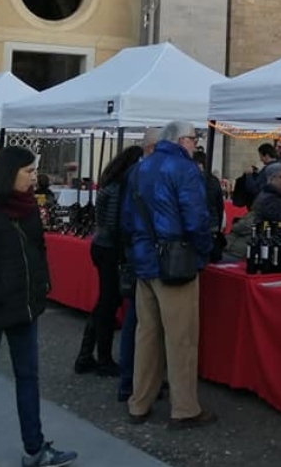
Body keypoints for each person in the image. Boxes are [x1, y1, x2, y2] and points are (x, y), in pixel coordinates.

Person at [0, 146, 78, 467]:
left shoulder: (28, 207)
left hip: (25, 306)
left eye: (34, 171)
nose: (34, 177)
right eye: (28, 171)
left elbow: (38, 248)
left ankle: (35, 448)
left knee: (28, 376)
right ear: (10, 172)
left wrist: (42, 283)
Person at [121, 121, 215, 428]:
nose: (195, 144)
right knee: (181, 339)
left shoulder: (139, 168)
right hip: (175, 262)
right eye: (193, 138)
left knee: (146, 335)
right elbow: (196, 219)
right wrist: (203, 251)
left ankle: (139, 402)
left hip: (144, 260)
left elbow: (126, 218)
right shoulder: (184, 169)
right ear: (180, 140)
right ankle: (184, 408)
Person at [74, 145, 143, 377]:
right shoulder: (120, 186)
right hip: (110, 248)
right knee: (108, 302)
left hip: (102, 245)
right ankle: (102, 358)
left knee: (106, 301)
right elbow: (114, 223)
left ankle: (86, 355)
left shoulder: (110, 182)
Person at [117, 128, 159, 403]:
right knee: (139, 320)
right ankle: (132, 381)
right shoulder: (144, 173)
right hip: (144, 254)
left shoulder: (135, 173)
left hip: (138, 250)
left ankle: (135, 380)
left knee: (140, 320)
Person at [192, 150, 226, 262]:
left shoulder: (193, 180)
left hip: (199, 224)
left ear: (199, 164)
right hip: (213, 223)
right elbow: (220, 205)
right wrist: (219, 224)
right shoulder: (215, 181)